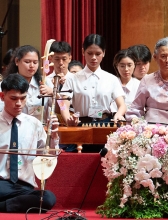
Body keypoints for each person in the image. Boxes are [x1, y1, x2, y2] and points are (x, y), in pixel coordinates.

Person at [0, 73, 59, 212]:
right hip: (1, 184)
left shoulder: (35, 124)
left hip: (23, 186)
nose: (19, 103)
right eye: (13, 98)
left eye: (23, 98)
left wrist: (54, 136)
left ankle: (3, 206)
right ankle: (15, 204)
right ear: (2, 97)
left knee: (48, 198)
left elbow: (47, 158)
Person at [60, 34, 126, 126]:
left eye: (98, 54)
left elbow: (122, 105)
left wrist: (118, 114)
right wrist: (68, 120)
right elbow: (63, 105)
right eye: (90, 53)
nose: (93, 57)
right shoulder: (72, 78)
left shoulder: (111, 79)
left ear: (104, 53)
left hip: (104, 124)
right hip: (81, 124)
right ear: (83, 52)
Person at [0, 45, 53, 122]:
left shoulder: (46, 81)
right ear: (17, 61)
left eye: (35, 62)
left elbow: (62, 108)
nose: (32, 66)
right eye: (27, 62)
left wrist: (54, 93)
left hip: (40, 129)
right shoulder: (6, 84)